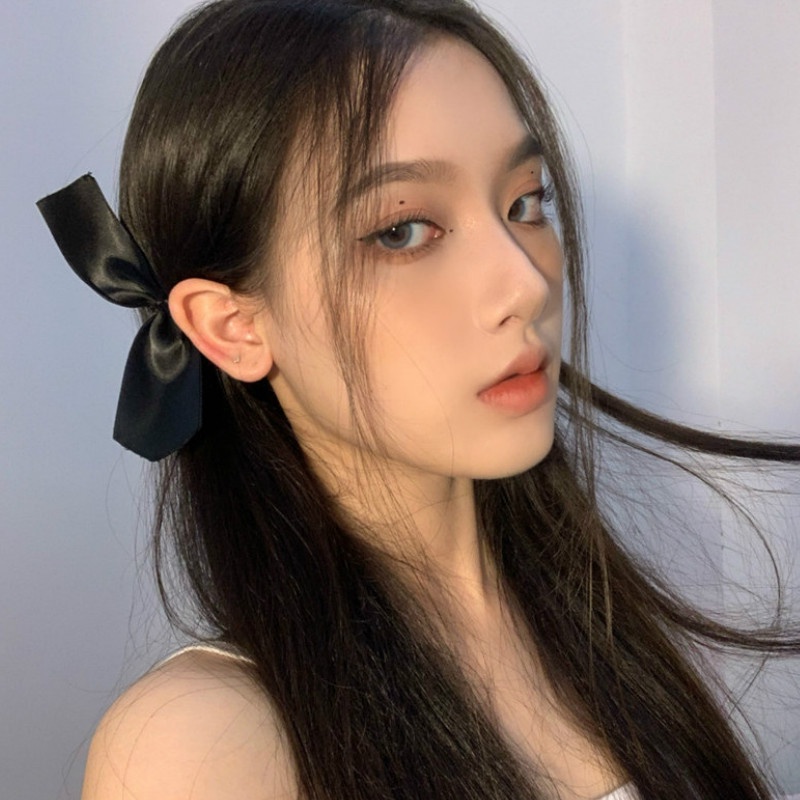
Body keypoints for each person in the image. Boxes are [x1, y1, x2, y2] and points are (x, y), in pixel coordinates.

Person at [36, 1, 800, 798]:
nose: (525, 284)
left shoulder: (606, 631)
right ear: (232, 326)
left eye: (525, 203)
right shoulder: (201, 749)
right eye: (402, 231)